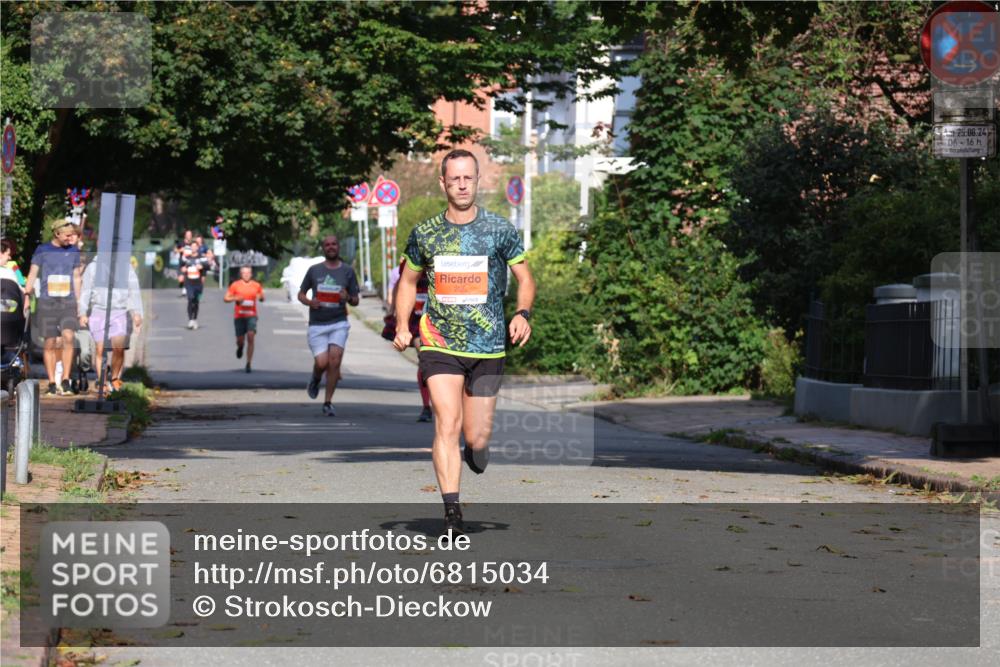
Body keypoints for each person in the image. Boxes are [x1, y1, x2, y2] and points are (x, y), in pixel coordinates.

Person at [394, 149, 535, 534]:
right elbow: (407, 282)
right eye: (453, 178)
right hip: (439, 342)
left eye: (467, 178)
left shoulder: (499, 230)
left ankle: (476, 447)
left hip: (488, 347)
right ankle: (452, 510)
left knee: (476, 434)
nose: (460, 184)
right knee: (447, 421)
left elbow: (525, 279)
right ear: (442, 183)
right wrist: (404, 325)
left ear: (477, 180)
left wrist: (522, 314)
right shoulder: (425, 233)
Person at [298, 235, 360, 417]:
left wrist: (347, 298)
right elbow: (301, 294)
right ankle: (316, 378)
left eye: (334, 244)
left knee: (335, 360)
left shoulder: (347, 271)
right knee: (322, 362)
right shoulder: (314, 270)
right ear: (323, 249)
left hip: (339, 322)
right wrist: (310, 302)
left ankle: (328, 402)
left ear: (338, 247)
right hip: (317, 324)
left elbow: (355, 300)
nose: (331, 247)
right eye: (327, 245)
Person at [24, 219, 83, 395]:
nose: (71, 238)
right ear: (57, 234)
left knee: (68, 337)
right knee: (50, 342)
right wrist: (27, 295)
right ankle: (51, 382)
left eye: (72, 235)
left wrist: (79, 303)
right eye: (68, 235)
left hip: (68, 302)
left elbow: (77, 277)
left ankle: (65, 379)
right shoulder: (42, 250)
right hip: (47, 302)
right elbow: (33, 273)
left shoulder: (73, 251)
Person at [78, 246, 144, 391]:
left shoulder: (125, 268)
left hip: (119, 311)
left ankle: (114, 378)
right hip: (98, 311)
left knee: (118, 348)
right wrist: (82, 312)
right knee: (100, 349)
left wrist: (137, 313)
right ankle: (102, 382)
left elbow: (134, 290)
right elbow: (85, 291)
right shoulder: (93, 267)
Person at [386, 258, 433, 422]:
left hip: (438, 319)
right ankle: (426, 406)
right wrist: (393, 311)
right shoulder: (412, 259)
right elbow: (402, 284)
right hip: (415, 320)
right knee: (423, 352)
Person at [224, 265, 265, 373]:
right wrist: (235, 298)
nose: (246, 275)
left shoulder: (256, 285)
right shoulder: (235, 285)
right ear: (241, 274)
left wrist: (260, 297)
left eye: (248, 273)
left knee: (251, 336)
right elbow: (226, 298)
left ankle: (248, 363)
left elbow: (262, 297)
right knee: (240, 340)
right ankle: (240, 347)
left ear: (251, 274)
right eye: (244, 273)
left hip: (252, 315)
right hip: (239, 316)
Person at [181, 246, 215, 329]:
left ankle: (195, 319)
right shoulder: (186, 257)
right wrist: (183, 269)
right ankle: (190, 320)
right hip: (189, 282)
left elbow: (208, 266)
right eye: (192, 247)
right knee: (190, 299)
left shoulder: (202, 258)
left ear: (197, 248)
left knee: (196, 301)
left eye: (195, 247)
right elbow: (181, 267)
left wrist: (202, 267)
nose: (193, 248)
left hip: (198, 283)